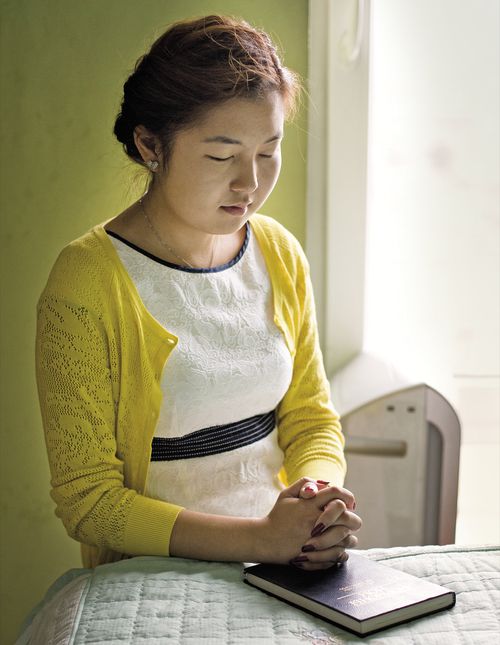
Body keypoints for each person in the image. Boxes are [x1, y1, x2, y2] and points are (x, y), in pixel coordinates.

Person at [35, 14, 361, 572]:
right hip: (154, 573)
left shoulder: (278, 253)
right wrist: (259, 539)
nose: (250, 183)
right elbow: (89, 502)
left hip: (284, 563)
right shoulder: (88, 281)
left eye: (268, 151)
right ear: (150, 144)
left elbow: (311, 419)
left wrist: (314, 502)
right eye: (221, 155)